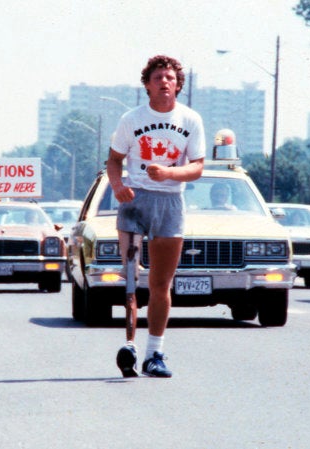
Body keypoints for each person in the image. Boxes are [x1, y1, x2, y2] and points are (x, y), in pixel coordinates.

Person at [107, 55, 205, 378]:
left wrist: (169, 173)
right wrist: (118, 185)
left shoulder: (190, 120)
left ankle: (155, 354)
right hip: (135, 201)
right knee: (132, 280)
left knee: (161, 283)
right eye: (158, 77)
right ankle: (130, 348)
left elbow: (197, 167)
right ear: (147, 84)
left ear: (178, 85)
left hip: (170, 203)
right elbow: (114, 160)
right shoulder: (131, 119)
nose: (165, 82)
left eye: (170, 78)